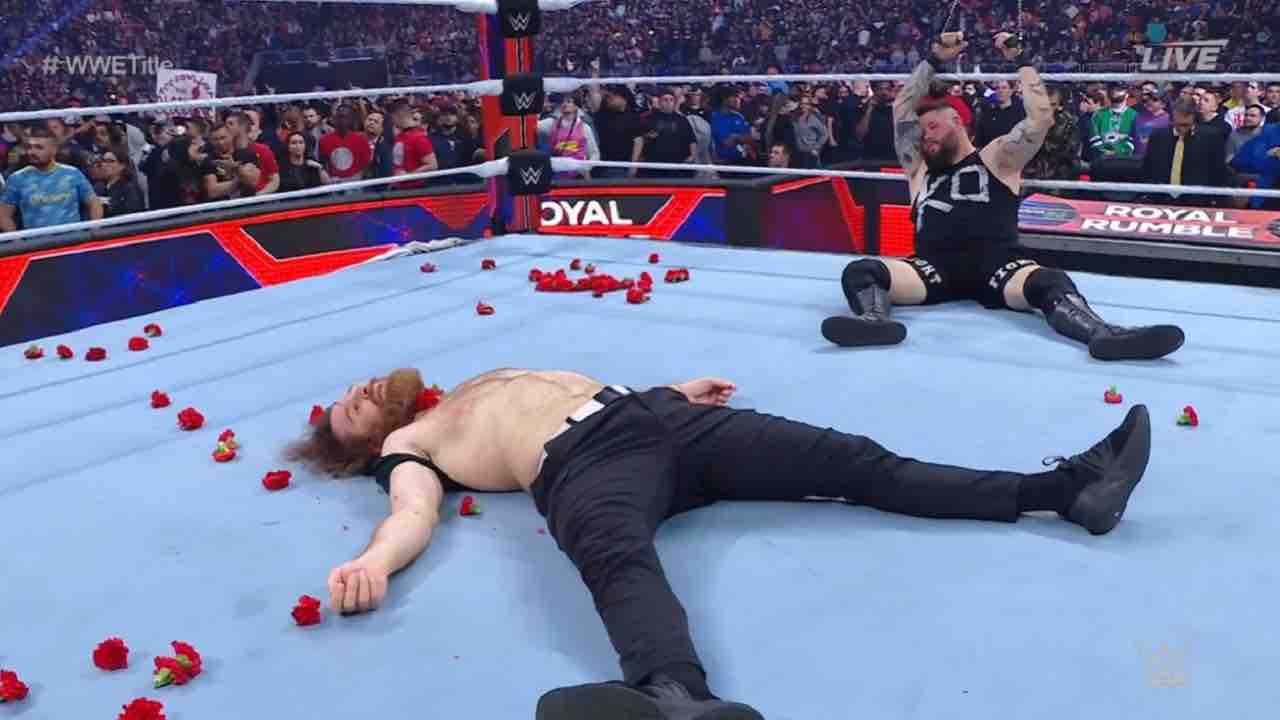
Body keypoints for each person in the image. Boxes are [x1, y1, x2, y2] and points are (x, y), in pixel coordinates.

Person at [284, 366, 1152, 720]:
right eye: (349, 412)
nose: (357, 394)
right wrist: (374, 562)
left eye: (355, 392)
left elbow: (563, 391)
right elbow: (412, 512)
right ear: (363, 445)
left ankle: (1061, 493)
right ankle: (673, 695)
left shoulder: (461, 388)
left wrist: (673, 390)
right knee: (615, 555)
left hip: (656, 416)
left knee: (853, 460)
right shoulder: (410, 446)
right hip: (581, 462)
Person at [820, 33, 1185, 362]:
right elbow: (902, 107)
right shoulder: (919, 168)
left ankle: (1103, 334)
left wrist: (1020, 60)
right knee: (861, 271)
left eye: (932, 127)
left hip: (997, 265)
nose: (925, 136)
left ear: (957, 122)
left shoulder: (996, 156)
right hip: (934, 269)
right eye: (922, 130)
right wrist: (934, 59)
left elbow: (1040, 119)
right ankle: (874, 321)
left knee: (1048, 281)